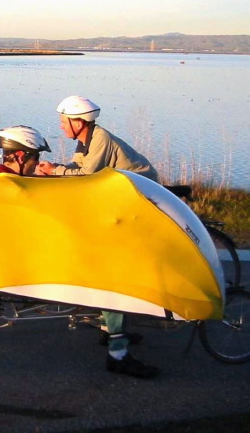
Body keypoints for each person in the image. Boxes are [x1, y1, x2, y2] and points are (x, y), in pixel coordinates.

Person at [38, 95, 160, 379]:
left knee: (114, 264)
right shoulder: (86, 140)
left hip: (138, 194)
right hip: (116, 195)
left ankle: (117, 338)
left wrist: (54, 171)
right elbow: (77, 171)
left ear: (78, 121)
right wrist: (54, 169)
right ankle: (111, 330)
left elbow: (85, 175)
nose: (61, 126)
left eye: (63, 121)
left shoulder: (100, 138)